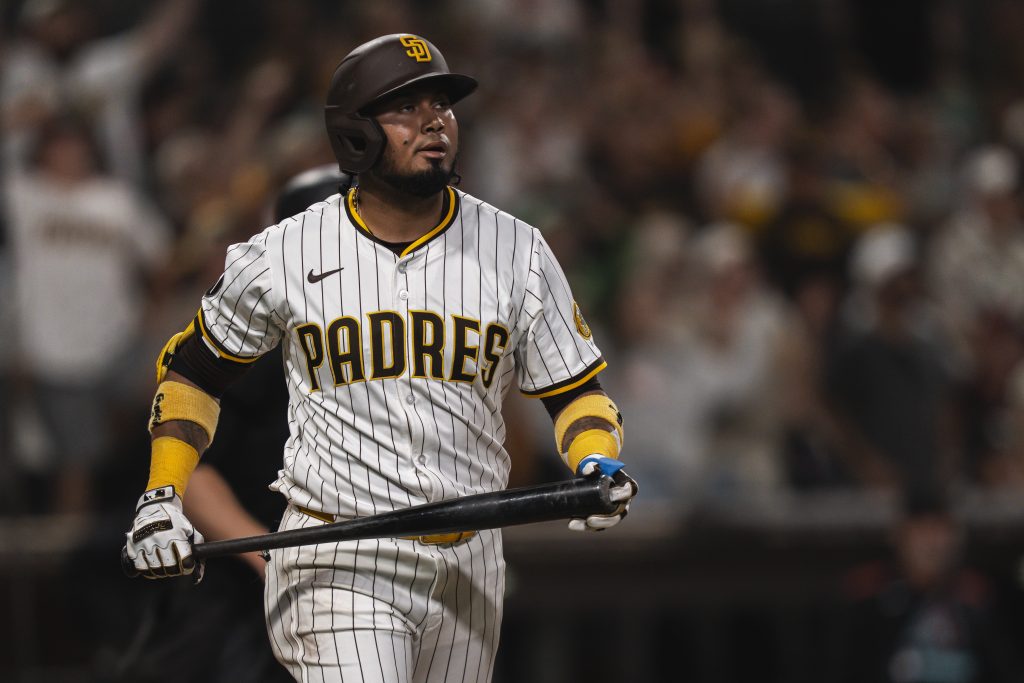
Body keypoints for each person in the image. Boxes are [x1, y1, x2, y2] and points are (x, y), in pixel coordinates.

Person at [122, 34, 637, 683]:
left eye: (441, 105)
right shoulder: (286, 249)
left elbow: (574, 390)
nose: (433, 122)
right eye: (404, 108)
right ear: (355, 133)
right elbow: (194, 369)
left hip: (470, 558)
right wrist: (162, 491)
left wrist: (595, 456)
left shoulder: (517, 248)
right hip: (341, 552)